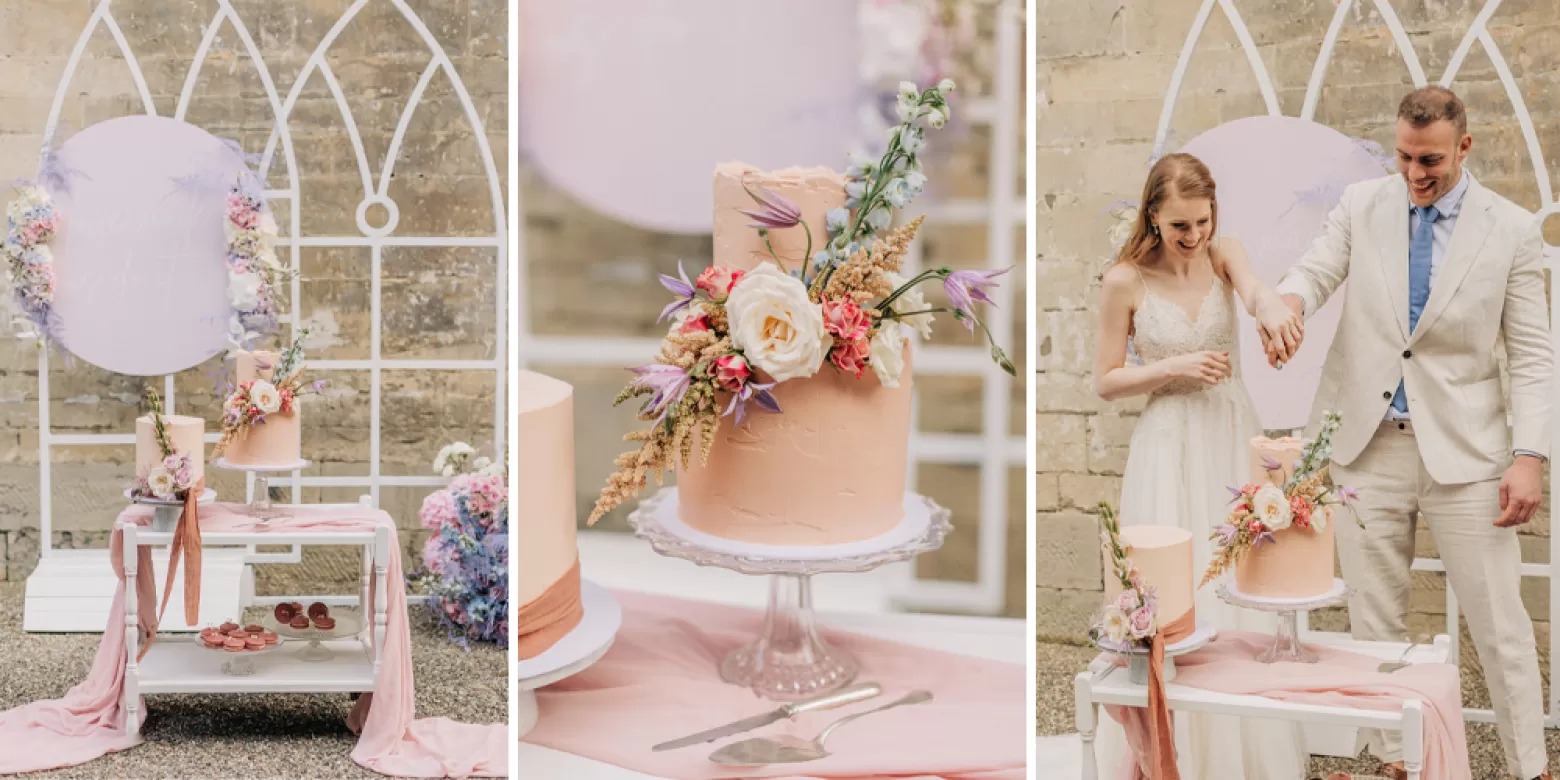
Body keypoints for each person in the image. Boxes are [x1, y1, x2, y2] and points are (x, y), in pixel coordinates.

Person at [1267, 86, 1553, 780]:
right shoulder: (1362, 207)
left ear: (1464, 146)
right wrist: (1288, 302)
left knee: (1502, 630)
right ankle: (1397, 764)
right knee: (1375, 626)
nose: (1415, 173)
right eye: (1403, 156)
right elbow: (1316, 269)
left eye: (1430, 160)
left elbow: (1536, 355)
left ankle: (1530, 768)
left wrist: (1531, 456)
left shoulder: (1511, 230)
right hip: (1369, 447)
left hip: (1471, 456)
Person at [1091, 151, 1308, 779]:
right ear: (1153, 215)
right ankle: (1168, 753)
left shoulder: (1224, 253)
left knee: (1237, 583)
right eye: (1180, 226)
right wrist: (1173, 368)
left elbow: (1257, 293)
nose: (1193, 238)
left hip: (1229, 432)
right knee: (1174, 593)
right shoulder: (1124, 281)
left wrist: (1271, 314)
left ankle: (1241, 754)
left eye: (1203, 222)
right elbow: (1105, 380)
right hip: (1167, 441)